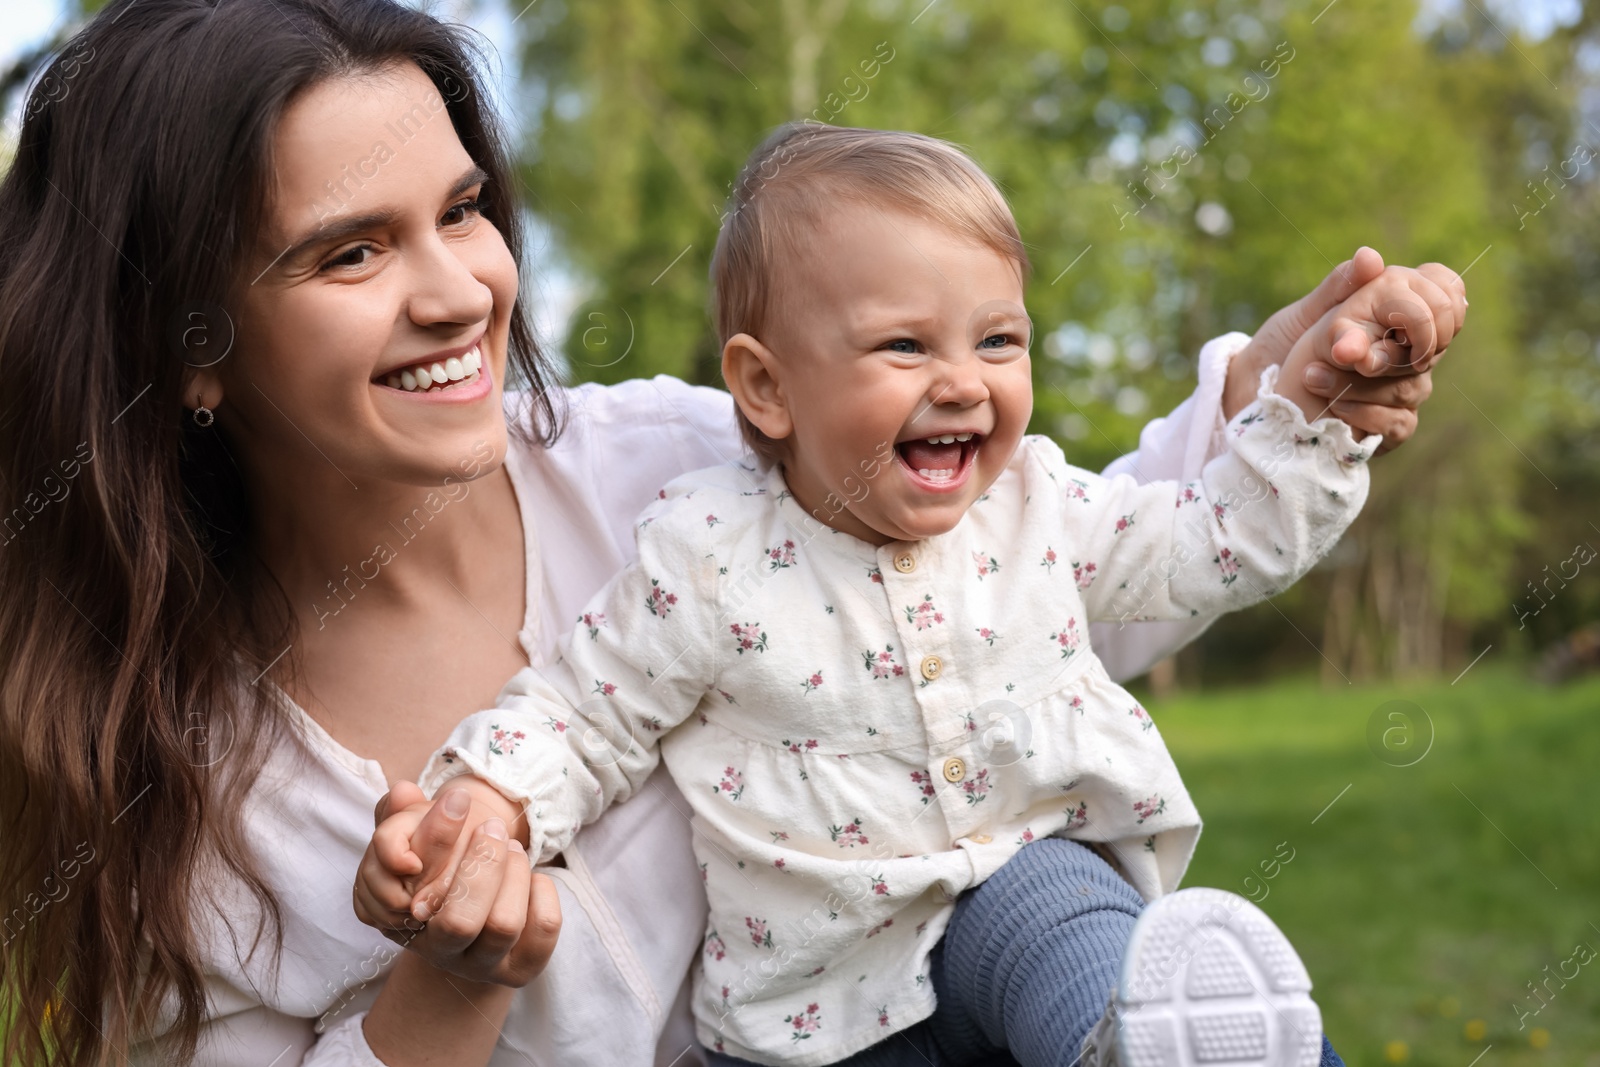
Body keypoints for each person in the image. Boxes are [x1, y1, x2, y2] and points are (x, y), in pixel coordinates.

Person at [0, 1, 1463, 1065]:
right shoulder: (159, 783)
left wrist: (1290, 386)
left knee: (1079, 930)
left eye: (462, 210)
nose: (456, 291)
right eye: (352, 250)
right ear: (187, 343)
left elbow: (1021, 594)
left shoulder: (682, 463)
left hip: (967, 985)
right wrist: (447, 983)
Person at [355, 124, 1442, 1067]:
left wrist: (1312, 408)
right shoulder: (710, 555)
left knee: (1077, 931)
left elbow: (1211, 540)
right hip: (807, 1005)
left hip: (1019, 885)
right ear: (767, 386)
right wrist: (487, 805)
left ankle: (1127, 1039)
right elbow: (583, 712)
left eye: (998, 339)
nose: (964, 380)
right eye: (905, 345)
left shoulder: (1033, 509)